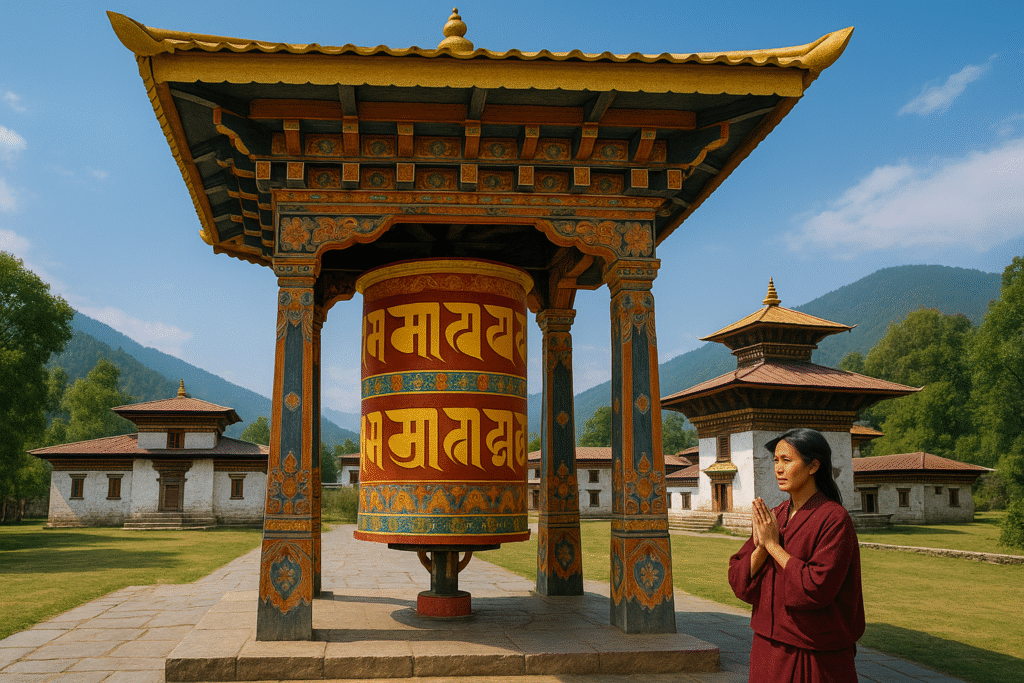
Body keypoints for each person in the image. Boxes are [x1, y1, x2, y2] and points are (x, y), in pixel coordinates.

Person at [727, 428, 864, 682]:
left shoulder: (834, 519)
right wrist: (762, 547)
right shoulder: (775, 516)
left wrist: (774, 547)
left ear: (813, 466)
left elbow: (817, 587)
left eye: (787, 461)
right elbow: (737, 578)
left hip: (813, 653)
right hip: (767, 649)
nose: (778, 469)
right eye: (776, 460)